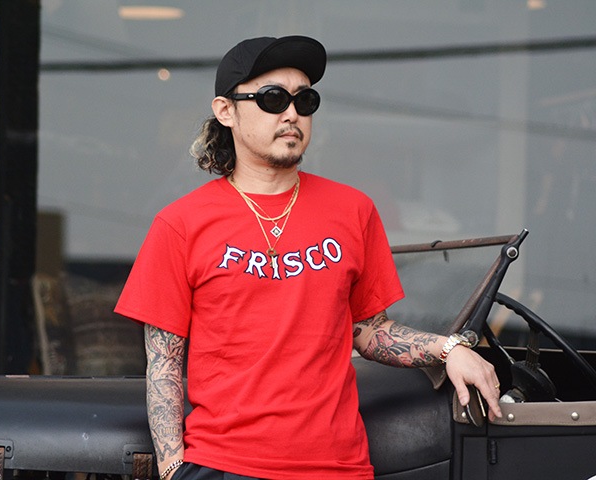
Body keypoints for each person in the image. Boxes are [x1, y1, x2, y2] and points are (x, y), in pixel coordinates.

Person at [115, 35, 502, 480]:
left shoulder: (353, 210)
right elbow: (164, 362)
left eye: (305, 100)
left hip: (337, 467)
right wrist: (172, 469)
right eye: (272, 98)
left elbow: (368, 331)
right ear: (226, 111)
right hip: (224, 465)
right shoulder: (181, 223)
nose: (292, 114)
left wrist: (450, 349)